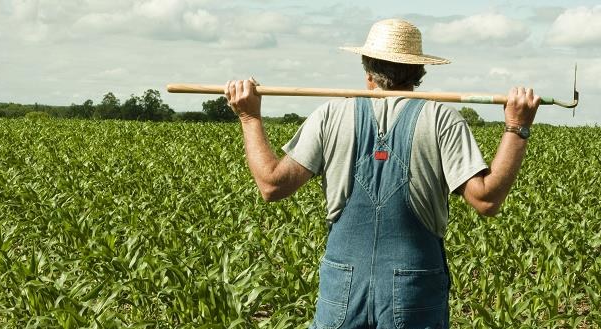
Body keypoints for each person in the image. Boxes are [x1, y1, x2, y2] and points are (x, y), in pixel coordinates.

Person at [224, 18, 540, 329]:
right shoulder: (442, 119)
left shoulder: (332, 115)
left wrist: (250, 117)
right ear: (419, 71)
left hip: (342, 288)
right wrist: (517, 127)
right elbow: (486, 199)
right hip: (415, 289)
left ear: (368, 70)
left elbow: (271, 184)